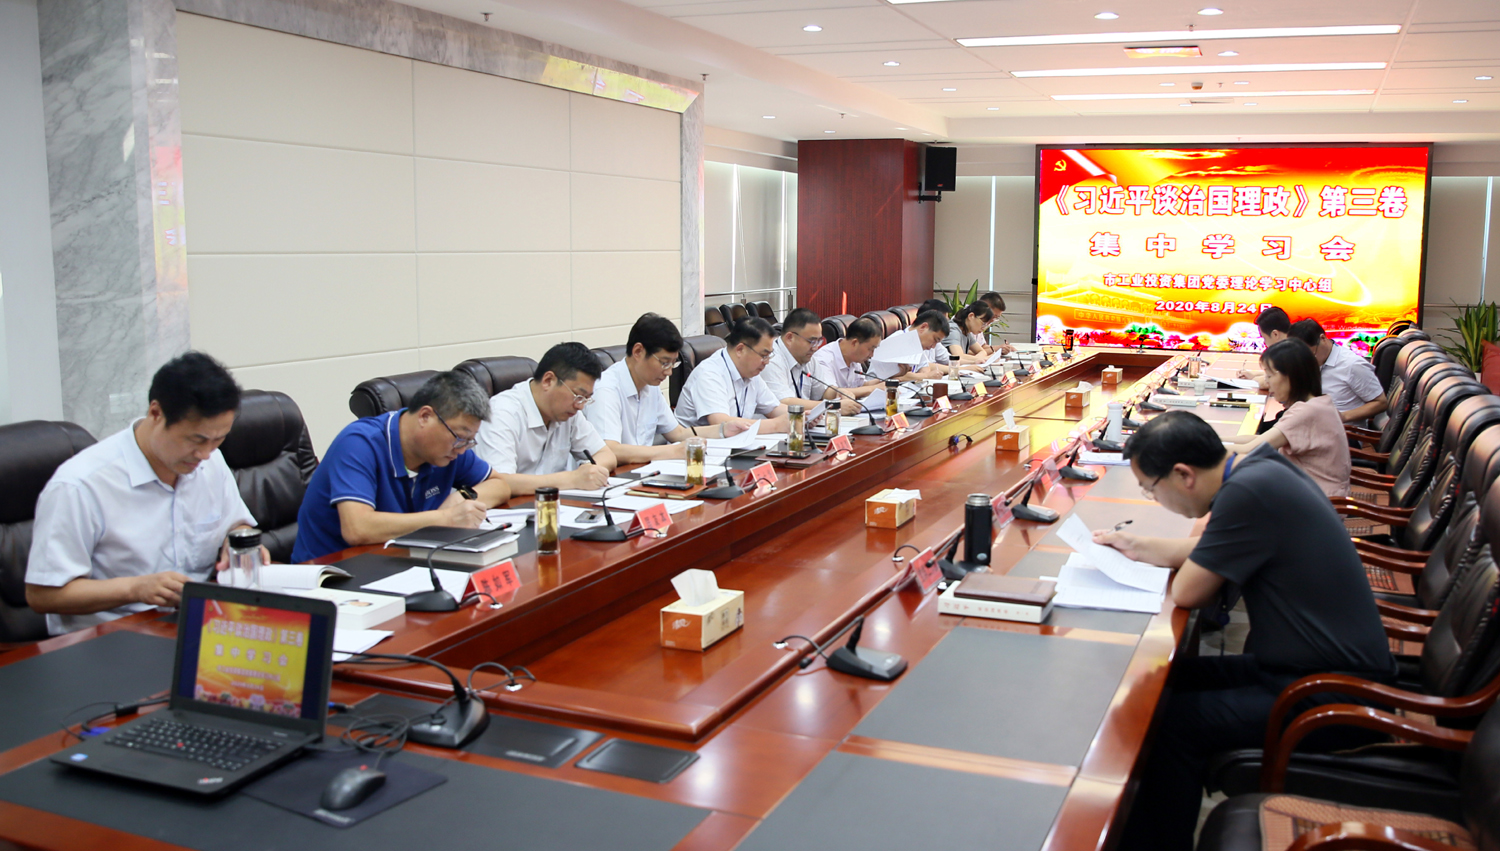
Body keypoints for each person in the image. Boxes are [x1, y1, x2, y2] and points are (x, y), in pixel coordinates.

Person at [1097, 411, 1394, 851]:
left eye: (1150, 488)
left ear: (1183, 475)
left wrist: (1159, 554)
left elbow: (1189, 591)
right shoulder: (1257, 471)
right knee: (1160, 681)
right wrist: (1136, 546)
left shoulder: (1246, 495)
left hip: (1330, 696)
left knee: (1169, 725)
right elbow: (1208, 548)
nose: (1153, 499)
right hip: (1305, 670)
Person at [26, 352, 263, 634]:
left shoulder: (210, 462)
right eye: (196, 440)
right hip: (110, 637)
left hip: (195, 623)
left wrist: (238, 543)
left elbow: (236, 525)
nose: (205, 454)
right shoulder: (80, 486)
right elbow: (42, 595)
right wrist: (135, 588)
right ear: (156, 413)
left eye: (218, 440)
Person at [292, 370, 510, 562]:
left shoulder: (449, 449)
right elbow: (357, 528)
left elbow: (499, 485)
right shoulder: (359, 443)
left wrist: (461, 498)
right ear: (425, 416)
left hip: (401, 560)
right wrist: (446, 518)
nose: (462, 450)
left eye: (469, 441)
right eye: (460, 437)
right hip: (334, 573)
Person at [584, 313, 748, 464]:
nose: (669, 372)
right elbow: (610, 449)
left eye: (673, 363)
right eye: (664, 363)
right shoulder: (606, 390)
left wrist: (722, 430)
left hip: (643, 470)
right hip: (614, 477)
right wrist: (671, 451)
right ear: (638, 351)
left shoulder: (650, 386)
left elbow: (678, 433)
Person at [476, 342, 618, 495]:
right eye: (578, 395)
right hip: (510, 507)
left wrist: (589, 471)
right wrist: (572, 479)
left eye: (586, 398)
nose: (580, 406)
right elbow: (499, 483)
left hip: (554, 503)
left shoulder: (568, 412)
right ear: (548, 381)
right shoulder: (502, 413)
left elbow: (606, 455)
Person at [1225, 339, 1351, 497]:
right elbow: (1261, 439)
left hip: (1315, 500)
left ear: (1290, 376)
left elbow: (1250, 449)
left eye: (1269, 375)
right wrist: (1215, 439)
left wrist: (1201, 447)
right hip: (1315, 493)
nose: (1267, 382)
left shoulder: (1305, 412)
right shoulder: (1319, 403)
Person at [675, 317, 791, 433]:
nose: (767, 362)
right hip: (697, 443)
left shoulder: (751, 372)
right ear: (740, 349)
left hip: (736, 443)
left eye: (769, 356)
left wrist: (797, 416)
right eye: (764, 355)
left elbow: (774, 409)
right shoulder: (709, 374)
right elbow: (721, 423)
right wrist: (775, 425)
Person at [1288, 318, 1388, 424]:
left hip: (1342, 430)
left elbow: (1381, 403)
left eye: (1311, 354)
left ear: (1322, 338)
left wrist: (1343, 416)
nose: (1307, 361)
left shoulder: (1352, 365)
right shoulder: (1312, 361)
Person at [763, 308, 835, 410]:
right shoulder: (770, 359)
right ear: (790, 338)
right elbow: (784, 402)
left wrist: (837, 393)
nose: (815, 348)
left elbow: (822, 392)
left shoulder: (808, 357)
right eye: (811, 341)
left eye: (819, 341)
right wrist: (832, 406)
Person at [810, 316, 884, 408]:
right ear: (854, 343)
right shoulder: (824, 359)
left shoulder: (854, 358)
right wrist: (873, 389)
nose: (872, 355)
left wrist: (889, 381)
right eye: (870, 349)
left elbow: (861, 385)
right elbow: (832, 393)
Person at [868, 310, 950, 381]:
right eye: (935, 339)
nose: (933, 346)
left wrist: (921, 376)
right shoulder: (896, 342)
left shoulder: (916, 343)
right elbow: (897, 377)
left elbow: (925, 367)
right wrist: (926, 376)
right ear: (923, 327)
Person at [1238, 306, 1291, 383]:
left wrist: (1253, 380)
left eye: (1264, 338)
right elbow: (1278, 374)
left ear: (1275, 334)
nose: (1264, 343)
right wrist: (1253, 375)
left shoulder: (1290, 353)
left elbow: (1273, 381)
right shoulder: (1294, 345)